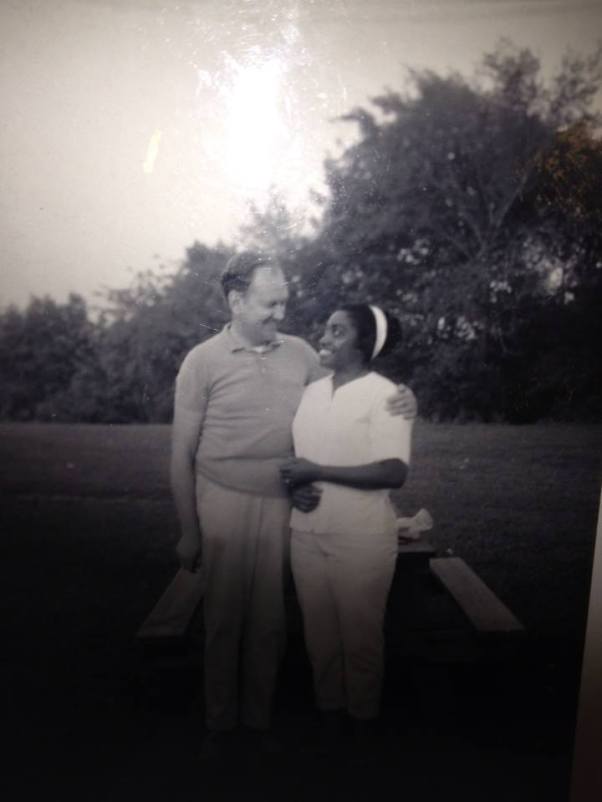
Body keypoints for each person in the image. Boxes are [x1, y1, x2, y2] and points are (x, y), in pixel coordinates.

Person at [170, 253, 416, 760]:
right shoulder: (202, 360)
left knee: (270, 621)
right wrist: (189, 529)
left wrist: (404, 397)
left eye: (284, 302)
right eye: (269, 303)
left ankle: (259, 722)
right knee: (224, 618)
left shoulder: (301, 353)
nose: (280, 313)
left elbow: (349, 388)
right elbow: (181, 453)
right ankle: (220, 724)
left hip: (284, 505)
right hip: (222, 500)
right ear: (236, 301)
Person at [279, 303, 413, 755]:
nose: (325, 337)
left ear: (364, 344)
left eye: (338, 331)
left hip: (361, 536)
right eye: (326, 328)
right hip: (306, 533)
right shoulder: (312, 392)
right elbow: (299, 457)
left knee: (360, 639)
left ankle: (363, 729)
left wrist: (318, 471)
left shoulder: (386, 395)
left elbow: (394, 471)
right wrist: (296, 487)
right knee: (319, 638)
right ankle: (330, 721)